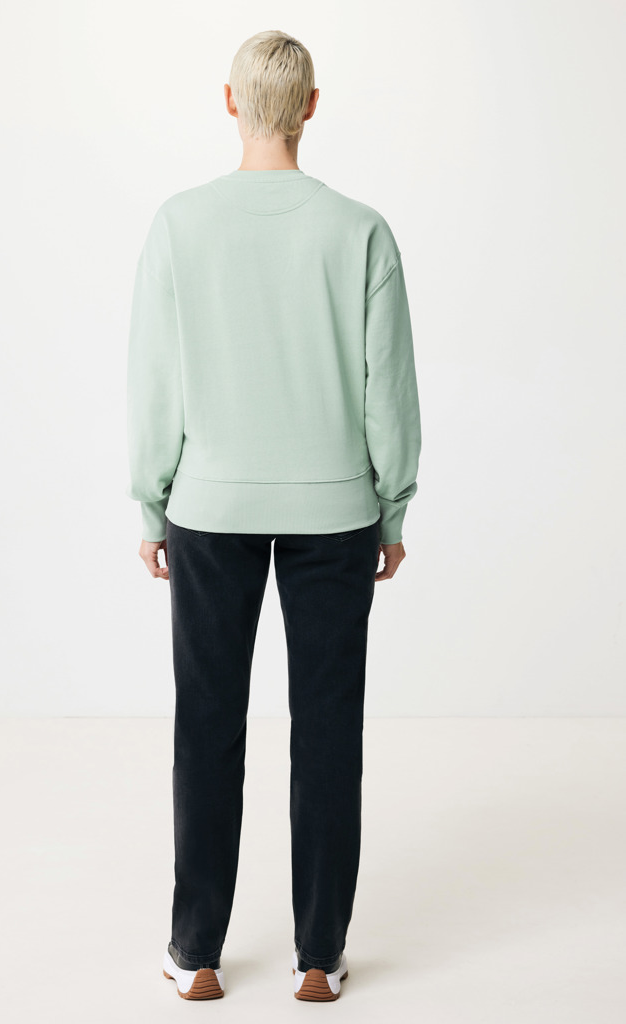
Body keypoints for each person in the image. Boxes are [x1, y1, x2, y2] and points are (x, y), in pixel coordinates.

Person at [125, 29, 422, 1002]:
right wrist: (390, 507)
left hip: (209, 508)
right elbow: (389, 391)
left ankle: (196, 952)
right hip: (335, 511)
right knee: (327, 729)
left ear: (229, 103)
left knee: (206, 723)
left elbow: (155, 381)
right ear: (311, 106)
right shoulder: (359, 230)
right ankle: (318, 955)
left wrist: (151, 502)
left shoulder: (180, 223)